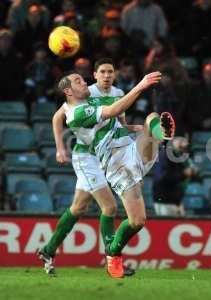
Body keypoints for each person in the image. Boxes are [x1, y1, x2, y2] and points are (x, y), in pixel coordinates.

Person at [58, 70, 174, 279]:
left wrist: (132, 127)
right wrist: (140, 85)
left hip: (131, 149)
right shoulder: (75, 114)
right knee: (138, 221)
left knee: (152, 118)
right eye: (78, 81)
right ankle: (113, 253)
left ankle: (160, 136)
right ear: (68, 91)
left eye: (83, 79)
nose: (84, 82)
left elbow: (115, 119)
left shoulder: (92, 102)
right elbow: (112, 111)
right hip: (117, 164)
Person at [37, 58, 140, 278]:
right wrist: (59, 148)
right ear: (96, 74)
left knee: (78, 208)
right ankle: (112, 259)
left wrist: (130, 127)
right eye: (101, 72)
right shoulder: (85, 94)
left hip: (104, 153)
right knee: (109, 208)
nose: (105, 76)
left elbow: (116, 120)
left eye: (110, 72)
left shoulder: (116, 92)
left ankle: (47, 251)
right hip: (87, 157)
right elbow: (57, 117)